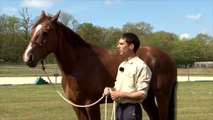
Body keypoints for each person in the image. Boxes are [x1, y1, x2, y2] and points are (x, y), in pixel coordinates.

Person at [103, 32, 152, 120]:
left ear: (131, 46)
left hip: (131, 110)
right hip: (118, 109)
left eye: (121, 44)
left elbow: (142, 94)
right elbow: (118, 88)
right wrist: (110, 89)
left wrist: (121, 94)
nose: (118, 46)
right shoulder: (122, 65)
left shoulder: (141, 66)